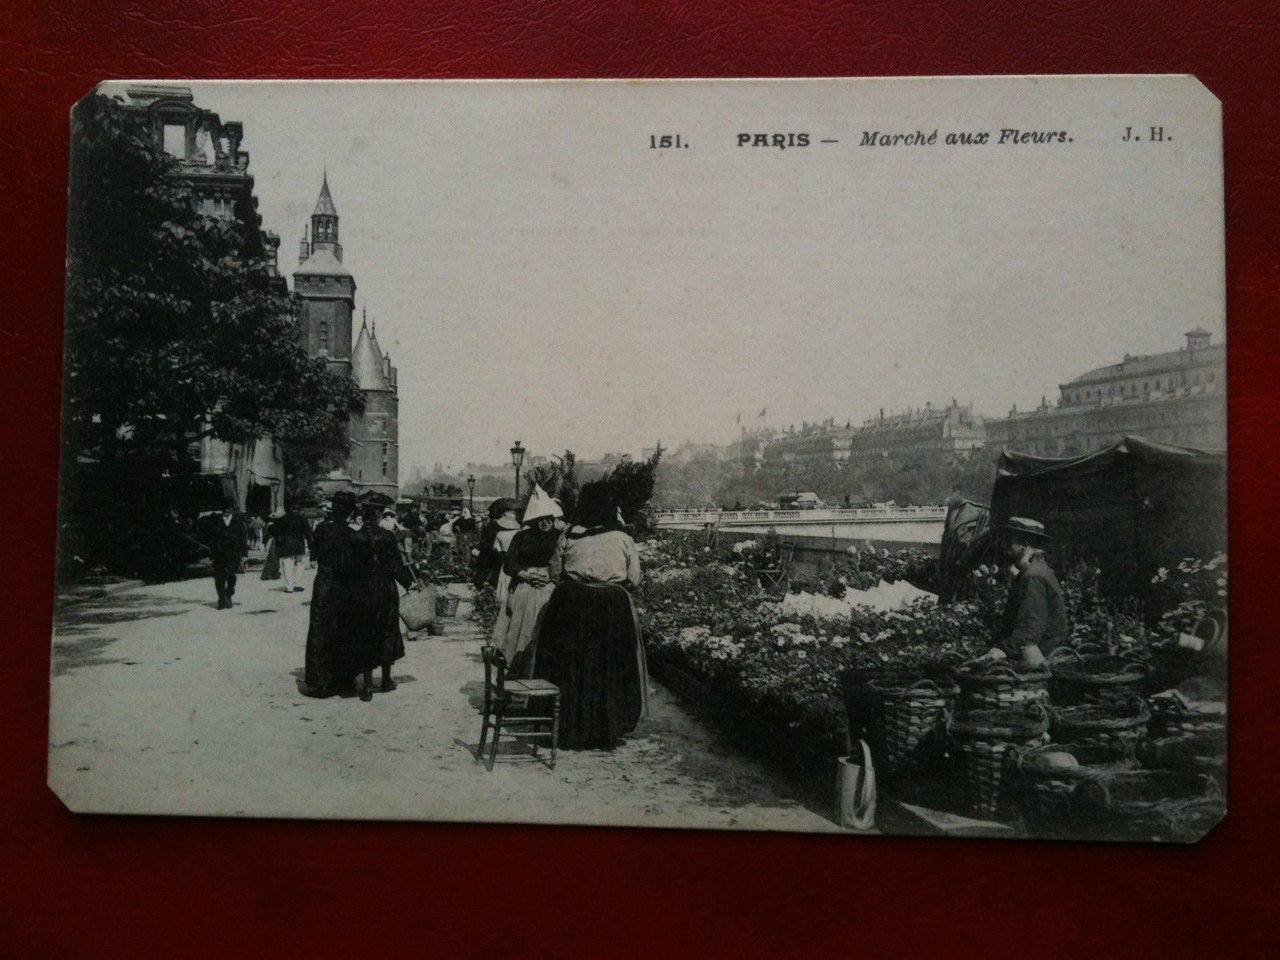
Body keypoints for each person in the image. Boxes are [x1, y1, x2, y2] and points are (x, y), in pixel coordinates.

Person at [529, 481, 648, 750]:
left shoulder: (569, 535)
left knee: (569, 662)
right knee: (610, 663)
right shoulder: (623, 538)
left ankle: (569, 723)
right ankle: (606, 726)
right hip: (610, 607)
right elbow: (634, 578)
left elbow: (554, 572)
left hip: (571, 604)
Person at [496, 484, 562, 671]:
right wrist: (525, 575)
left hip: (549, 587)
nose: (544, 523)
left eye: (548, 518)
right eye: (540, 519)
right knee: (521, 628)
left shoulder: (559, 537)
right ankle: (519, 666)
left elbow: (564, 561)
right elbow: (510, 563)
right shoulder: (522, 537)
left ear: (553, 518)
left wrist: (550, 577)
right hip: (525, 586)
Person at [985, 516, 1068, 666]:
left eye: (1010, 540)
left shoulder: (1033, 577)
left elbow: (1029, 631)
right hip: (1036, 655)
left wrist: (1000, 650)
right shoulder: (1037, 571)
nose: (1003, 545)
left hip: (1038, 662)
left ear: (1026, 543)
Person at [303, 491, 357, 698]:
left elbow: (315, 554)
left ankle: (319, 680)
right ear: (350, 511)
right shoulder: (352, 534)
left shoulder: (322, 530)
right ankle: (343, 677)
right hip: (345, 585)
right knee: (344, 629)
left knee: (320, 628)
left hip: (324, 583)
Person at [365, 506, 418, 696]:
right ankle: (386, 679)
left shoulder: (356, 537)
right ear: (379, 516)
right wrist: (409, 583)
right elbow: (396, 565)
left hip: (363, 592)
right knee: (387, 631)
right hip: (385, 590)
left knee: (365, 633)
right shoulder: (387, 537)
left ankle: (367, 684)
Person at [203, 500, 248, 609]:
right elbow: (211, 538)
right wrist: (211, 551)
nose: (226, 511)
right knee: (219, 576)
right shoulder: (216, 521)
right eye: (224, 509)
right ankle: (221, 599)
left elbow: (243, 538)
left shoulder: (238, 521)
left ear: (231, 509)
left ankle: (229, 592)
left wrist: (245, 554)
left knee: (231, 575)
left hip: (233, 553)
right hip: (219, 553)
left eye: (228, 509)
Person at [271, 505, 312, 592]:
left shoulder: (283, 519)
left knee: (287, 564)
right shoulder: (302, 518)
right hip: (299, 543)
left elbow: (276, 531)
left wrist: (279, 543)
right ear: (299, 510)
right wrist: (310, 545)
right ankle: (297, 584)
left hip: (286, 543)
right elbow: (308, 533)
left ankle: (289, 587)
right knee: (300, 564)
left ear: (290, 509)